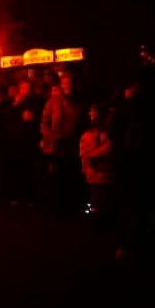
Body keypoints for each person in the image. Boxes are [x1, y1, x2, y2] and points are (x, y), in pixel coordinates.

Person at [41, 73, 90, 219]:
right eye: (65, 83)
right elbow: (45, 122)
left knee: (73, 176)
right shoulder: (53, 101)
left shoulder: (81, 102)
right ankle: (60, 208)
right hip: (58, 144)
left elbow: (85, 122)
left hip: (75, 144)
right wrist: (50, 137)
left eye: (70, 82)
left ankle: (73, 208)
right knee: (59, 177)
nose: (67, 85)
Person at [80, 101, 117, 230]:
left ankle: (100, 218)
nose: (90, 114)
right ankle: (93, 216)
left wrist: (92, 155)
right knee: (94, 197)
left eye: (93, 112)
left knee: (101, 198)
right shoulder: (90, 133)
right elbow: (85, 152)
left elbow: (108, 148)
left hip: (102, 171)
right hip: (94, 171)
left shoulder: (106, 134)